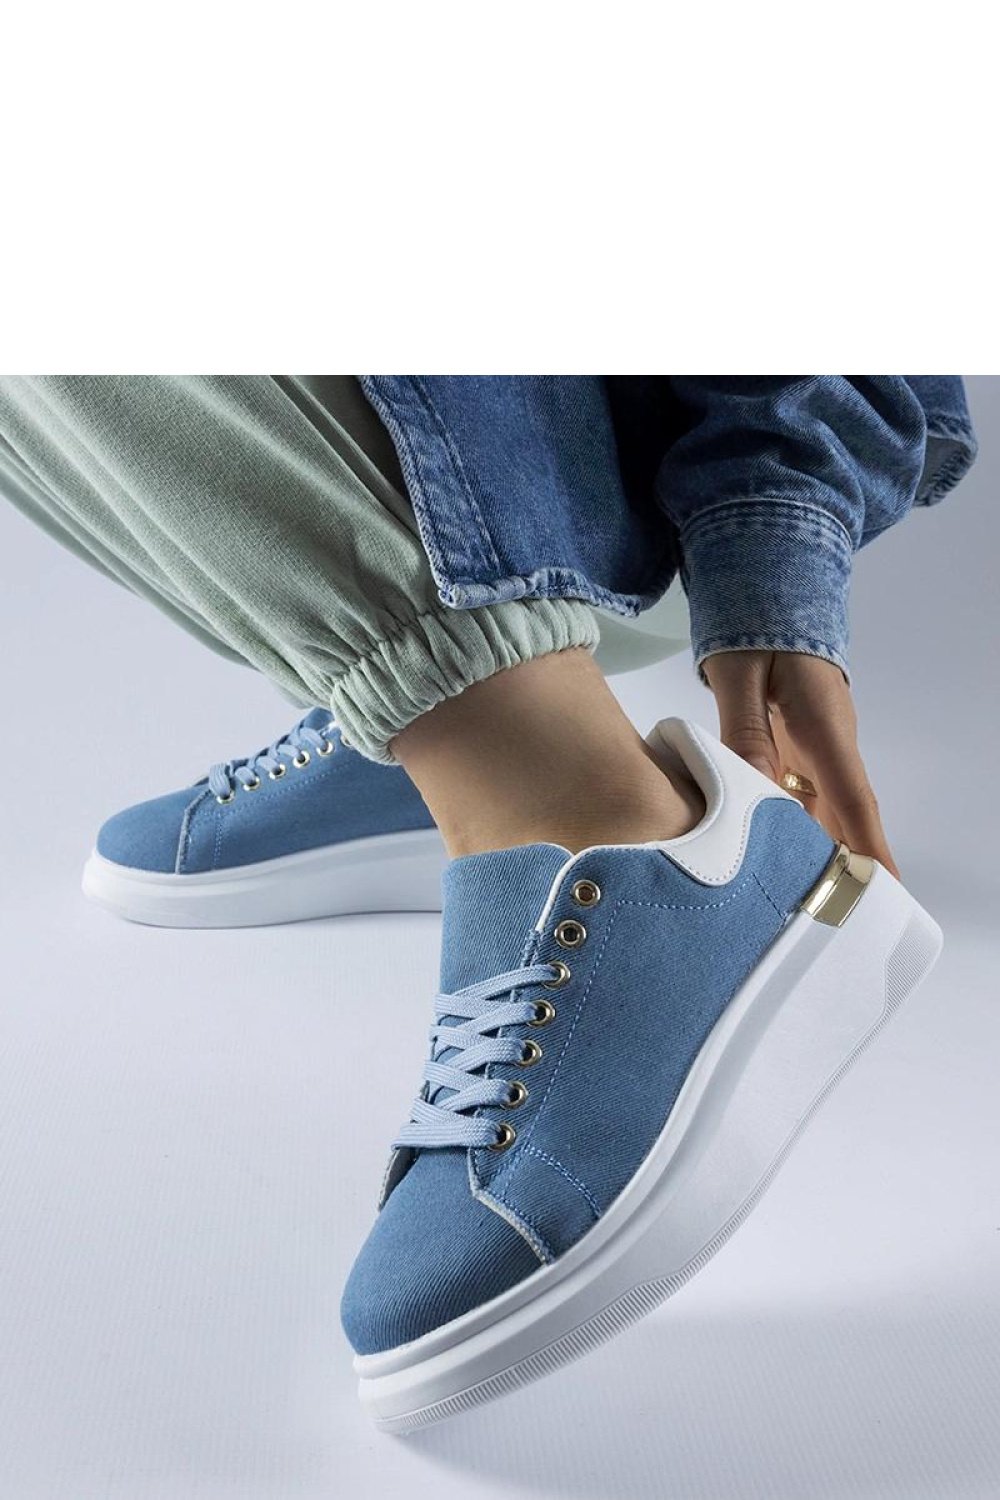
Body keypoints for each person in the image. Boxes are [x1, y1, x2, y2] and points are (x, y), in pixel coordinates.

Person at [0, 375, 977, 1430]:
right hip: (525, 488)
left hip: (665, 473)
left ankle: (571, 791)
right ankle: (431, 721)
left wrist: (773, 532)